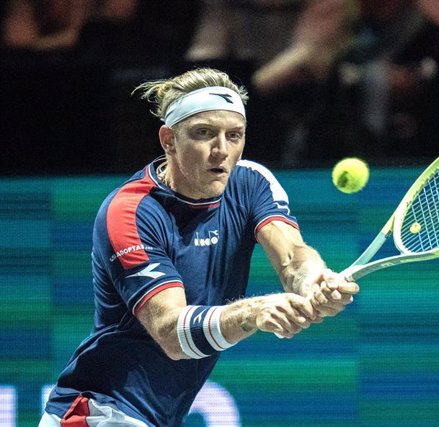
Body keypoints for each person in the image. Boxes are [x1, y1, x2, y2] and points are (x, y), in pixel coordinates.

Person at [39, 67, 359, 426]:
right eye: (204, 133)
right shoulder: (130, 213)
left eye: (234, 135)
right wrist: (255, 312)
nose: (221, 151)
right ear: (169, 139)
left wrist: (313, 281)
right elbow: (171, 332)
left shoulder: (251, 183)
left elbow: (292, 256)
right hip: (101, 410)